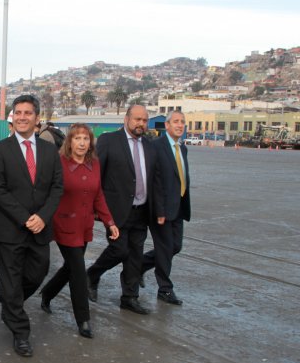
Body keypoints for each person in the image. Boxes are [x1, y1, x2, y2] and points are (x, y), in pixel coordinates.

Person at [0, 94, 63, 357]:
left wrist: (42, 216)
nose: (22, 117)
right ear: (12, 117)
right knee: (10, 282)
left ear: (37, 118)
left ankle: (10, 302)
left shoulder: (49, 150)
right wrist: (24, 217)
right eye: (17, 112)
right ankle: (20, 332)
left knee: (37, 273)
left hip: (40, 229)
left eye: (27, 113)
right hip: (8, 230)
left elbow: (57, 188)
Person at [40, 124, 118, 338]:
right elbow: (48, 191)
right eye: (77, 138)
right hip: (63, 224)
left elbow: (99, 194)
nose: (82, 143)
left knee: (70, 267)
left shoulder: (95, 164)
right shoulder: (60, 163)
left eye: (86, 138)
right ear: (69, 142)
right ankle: (83, 319)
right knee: (78, 271)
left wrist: (109, 222)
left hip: (84, 226)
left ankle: (47, 293)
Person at [86, 104, 157, 315]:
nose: (140, 124)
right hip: (115, 210)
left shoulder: (149, 145)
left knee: (135, 256)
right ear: (126, 119)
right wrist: (95, 207)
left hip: (141, 210)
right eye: (137, 119)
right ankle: (92, 274)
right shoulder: (109, 140)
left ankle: (129, 297)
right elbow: (96, 174)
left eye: (144, 120)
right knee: (119, 250)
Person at [141, 111, 190, 306]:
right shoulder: (156, 147)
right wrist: (159, 210)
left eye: (183, 122)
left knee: (175, 246)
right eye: (176, 122)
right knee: (164, 248)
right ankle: (165, 289)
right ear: (167, 126)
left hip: (178, 206)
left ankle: (138, 267)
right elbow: (154, 181)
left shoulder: (182, 148)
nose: (180, 125)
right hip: (160, 209)